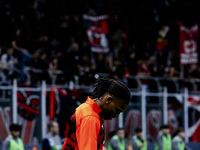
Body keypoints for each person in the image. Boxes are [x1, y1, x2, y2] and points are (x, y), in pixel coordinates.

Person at [62, 77, 131, 150]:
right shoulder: (90, 117)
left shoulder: (87, 109)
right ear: (109, 100)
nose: (116, 115)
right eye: (117, 110)